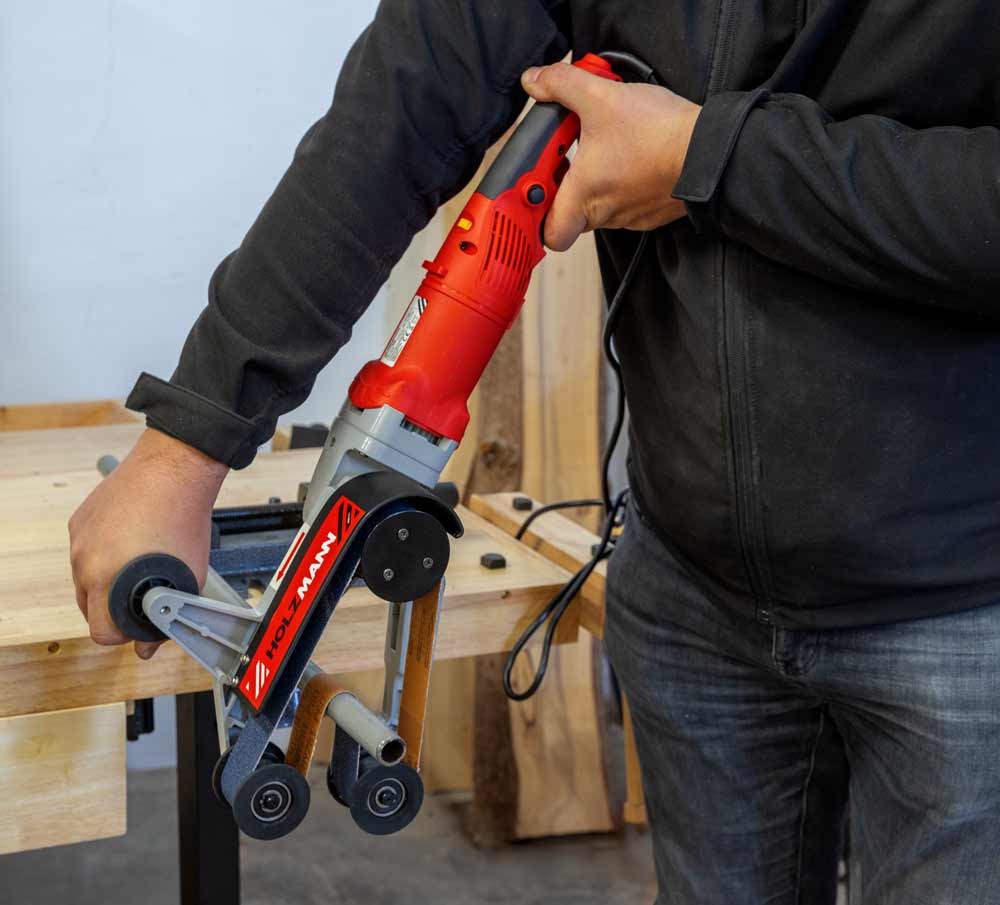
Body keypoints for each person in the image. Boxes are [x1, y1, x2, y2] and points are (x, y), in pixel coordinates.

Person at [69, 3, 1000, 903]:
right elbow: (404, 101)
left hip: (965, 599)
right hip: (691, 589)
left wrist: (709, 157)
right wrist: (189, 439)